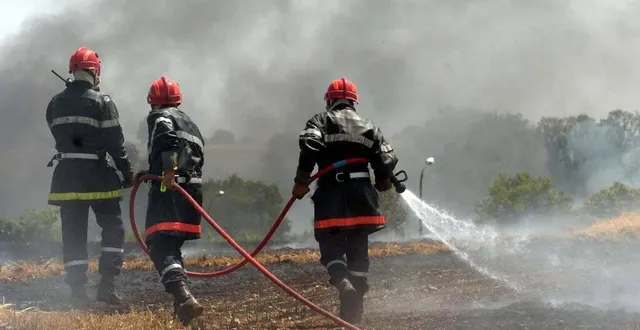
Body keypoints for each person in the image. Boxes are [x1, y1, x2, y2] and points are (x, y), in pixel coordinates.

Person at [292, 77, 399, 324]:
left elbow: (309, 147)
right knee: (358, 249)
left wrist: (301, 181)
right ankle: (354, 314)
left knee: (331, 246)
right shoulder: (369, 125)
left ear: (329, 101)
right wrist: (383, 179)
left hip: (331, 194)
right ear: (354, 102)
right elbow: (387, 157)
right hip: (362, 196)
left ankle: (344, 285)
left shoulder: (320, 120)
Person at [46, 46, 134, 305]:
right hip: (98, 177)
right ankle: (107, 285)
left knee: (73, 234)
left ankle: (76, 292)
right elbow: (115, 144)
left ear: (73, 71)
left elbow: (58, 134)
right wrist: (127, 174)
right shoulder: (103, 102)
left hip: (66, 178)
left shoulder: (54, 103)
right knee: (113, 228)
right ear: (95, 71)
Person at [136, 76, 205, 326]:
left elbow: (166, 139)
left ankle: (184, 298)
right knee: (172, 249)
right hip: (191, 193)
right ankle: (183, 310)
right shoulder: (190, 122)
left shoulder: (160, 117)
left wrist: (167, 171)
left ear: (152, 101)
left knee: (159, 246)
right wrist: (149, 172)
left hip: (171, 192)